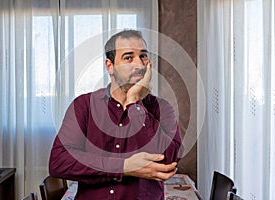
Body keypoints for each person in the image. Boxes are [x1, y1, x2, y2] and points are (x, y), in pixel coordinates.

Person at [49, 30, 183, 200]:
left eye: (143, 56)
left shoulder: (162, 108)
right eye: (128, 57)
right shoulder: (83, 106)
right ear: (109, 66)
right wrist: (124, 166)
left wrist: (134, 102)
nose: (139, 65)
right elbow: (59, 162)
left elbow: (168, 161)